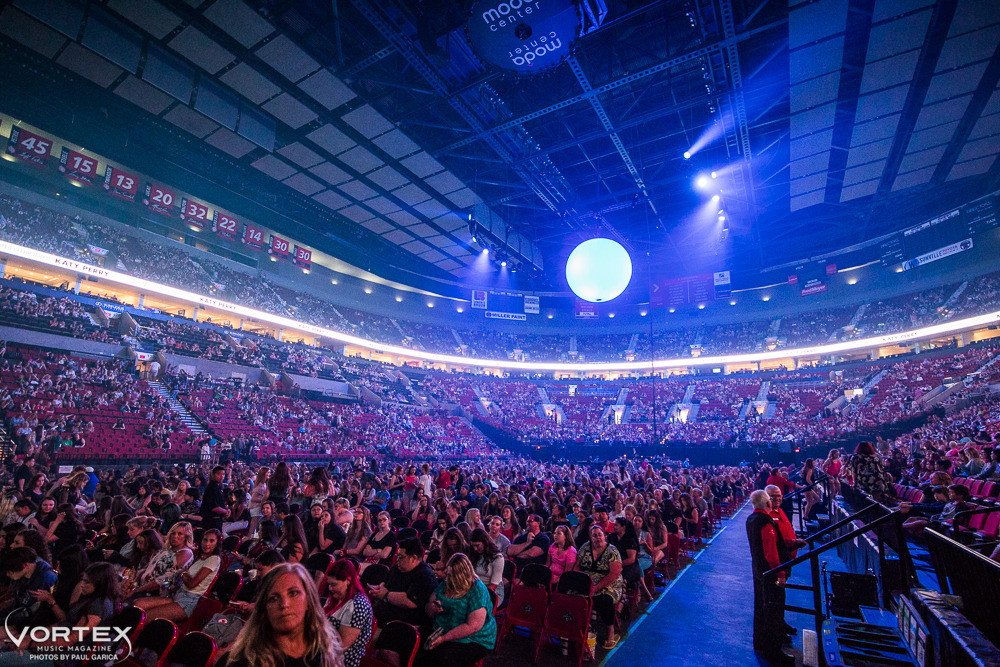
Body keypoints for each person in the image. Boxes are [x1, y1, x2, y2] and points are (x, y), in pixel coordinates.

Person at [0, 562, 122, 666]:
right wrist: (29, 637)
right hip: (48, 646)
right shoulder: (89, 598)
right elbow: (62, 624)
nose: (82, 585)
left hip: (61, 657)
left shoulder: (99, 605)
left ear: (100, 583)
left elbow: (69, 641)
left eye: (87, 582)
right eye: (83, 580)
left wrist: (31, 644)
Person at [223, 563, 344, 667]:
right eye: (273, 598)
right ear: (264, 609)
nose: (284, 604)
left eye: (293, 593)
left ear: (308, 600)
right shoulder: (246, 661)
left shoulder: (326, 653)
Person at [420, 553, 496, 667]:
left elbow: (473, 626)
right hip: (445, 626)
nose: (449, 579)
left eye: (453, 576)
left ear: (463, 575)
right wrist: (432, 607)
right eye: (448, 575)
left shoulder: (477, 590)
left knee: (444, 657)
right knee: (417, 643)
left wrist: (444, 638)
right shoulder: (447, 582)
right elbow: (429, 603)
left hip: (475, 638)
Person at [136, 528, 222, 621]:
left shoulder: (214, 559)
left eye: (211, 541)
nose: (207, 544)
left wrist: (183, 572)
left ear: (217, 543)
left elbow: (191, 584)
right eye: (205, 540)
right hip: (177, 594)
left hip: (188, 601)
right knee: (137, 605)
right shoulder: (201, 557)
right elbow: (185, 580)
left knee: (146, 616)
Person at [746, 490, 792, 664]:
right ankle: (773, 651)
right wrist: (780, 573)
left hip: (758, 571)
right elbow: (771, 553)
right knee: (772, 610)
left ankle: (760, 642)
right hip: (770, 573)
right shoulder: (765, 523)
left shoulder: (751, 519)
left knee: (760, 607)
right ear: (767, 503)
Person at [572, 525, 624, 650]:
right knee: (572, 596)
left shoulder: (612, 551)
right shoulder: (585, 548)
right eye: (594, 535)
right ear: (590, 537)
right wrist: (580, 580)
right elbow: (576, 566)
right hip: (587, 581)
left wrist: (596, 588)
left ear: (604, 536)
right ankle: (582, 627)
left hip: (609, 584)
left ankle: (610, 631)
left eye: (600, 534)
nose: (597, 538)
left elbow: (614, 574)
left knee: (605, 600)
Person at [369, 537, 437, 627]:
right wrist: (379, 588)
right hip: (382, 616)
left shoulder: (425, 575)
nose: (397, 560)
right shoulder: (398, 568)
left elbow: (410, 602)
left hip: (404, 623)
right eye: (397, 556)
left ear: (413, 558)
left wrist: (386, 595)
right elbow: (386, 583)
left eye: (400, 557)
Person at [325, 560, 374, 667]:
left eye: (334, 585)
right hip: (325, 654)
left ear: (348, 581)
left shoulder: (357, 605)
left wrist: (321, 623)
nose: (330, 588)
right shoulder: (334, 598)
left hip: (343, 661)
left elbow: (341, 646)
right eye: (329, 584)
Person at [468, 529, 504, 607]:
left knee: (473, 606)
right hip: (475, 589)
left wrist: (474, 593)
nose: (475, 549)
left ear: (485, 542)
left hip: (492, 593)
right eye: (473, 546)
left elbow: (493, 586)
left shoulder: (497, 558)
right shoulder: (475, 554)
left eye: (477, 545)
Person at [201, 466, 229, 531]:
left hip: (217, 519)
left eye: (223, 474)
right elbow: (214, 507)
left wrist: (226, 510)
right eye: (218, 474)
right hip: (211, 520)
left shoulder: (219, 487)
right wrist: (226, 512)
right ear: (213, 475)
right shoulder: (212, 488)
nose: (221, 476)